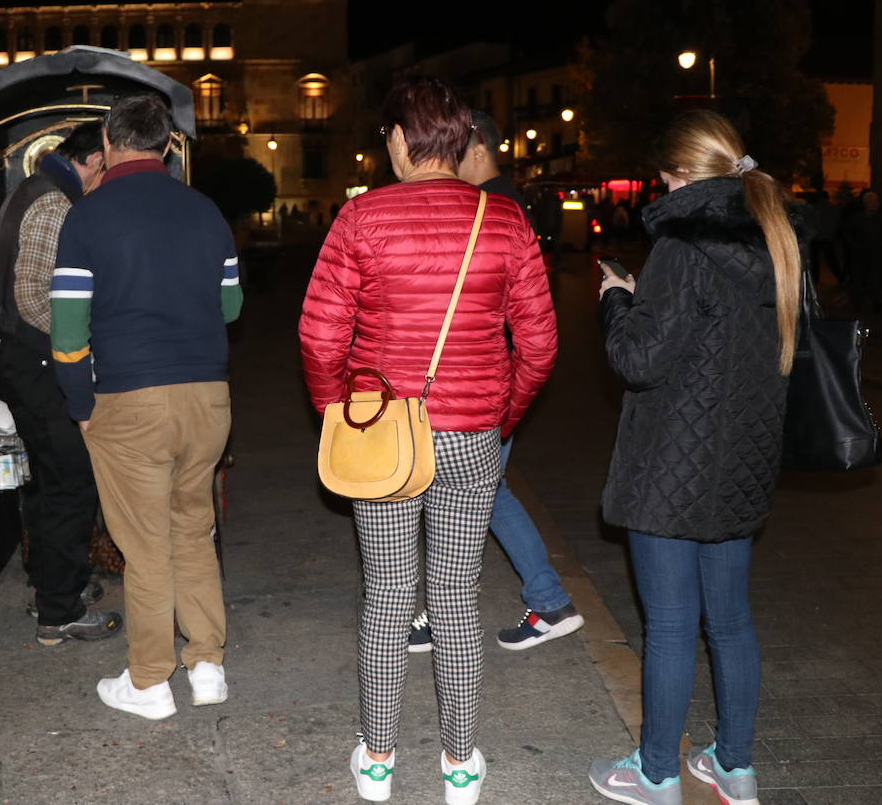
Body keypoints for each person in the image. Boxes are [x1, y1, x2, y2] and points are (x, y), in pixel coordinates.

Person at [300, 78, 557, 805]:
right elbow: (538, 342)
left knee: (386, 595)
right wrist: (501, 413)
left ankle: (377, 762)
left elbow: (320, 333)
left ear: (398, 140)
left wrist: (336, 412)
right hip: (472, 434)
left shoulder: (360, 219)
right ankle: (459, 763)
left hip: (383, 435)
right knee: (454, 596)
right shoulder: (503, 221)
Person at [587, 110, 803, 805]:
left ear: (680, 176)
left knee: (673, 624)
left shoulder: (683, 245)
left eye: (664, 175)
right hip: (741, 458)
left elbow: (639, 360)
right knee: (731, 619)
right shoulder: (777, 235)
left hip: (671, 465)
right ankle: (734, 768)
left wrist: (616, 302)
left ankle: (655, 775)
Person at [51, 94, 242, 720]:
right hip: (208, 398)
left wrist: (81, 404)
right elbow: (232, 308)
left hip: (130, 399)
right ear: (166, 145)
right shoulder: (207, 211)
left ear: (108, 142)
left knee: (145, 544)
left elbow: (68, 329)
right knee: (193, 528)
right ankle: (207, 664)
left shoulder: (87, 216)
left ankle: (150, 681)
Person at [408, 109, 581, 657]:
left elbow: (527, 321)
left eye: (453, 148)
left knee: (460, 493)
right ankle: (548, 603)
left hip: (484, 380)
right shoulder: (505, 204)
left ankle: (460, 613)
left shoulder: (497, 208)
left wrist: (506, 401)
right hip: (492, 379)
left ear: (476, 147)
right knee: (483, 494)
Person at [0, 123, 120, 646]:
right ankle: (59, 613)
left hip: (24, 363)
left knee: (45, 486)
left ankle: (52, 587)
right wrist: (81, 345)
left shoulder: (36, 189)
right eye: (106, 168)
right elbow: (36, 296)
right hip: (38, 364)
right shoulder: (52, 203)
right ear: (91, 161)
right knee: (70, 486)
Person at [843, 188, 882, 313]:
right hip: (860, 254)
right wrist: (855, 246)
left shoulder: (881, 218)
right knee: (858, 279)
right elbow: (847, 234)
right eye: (871, 202)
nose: (874, 204)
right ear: (865, 203)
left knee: (875, 279)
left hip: (876, 253)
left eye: (875, 202)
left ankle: (877, 303)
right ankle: (856, 304)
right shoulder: (857, 218)